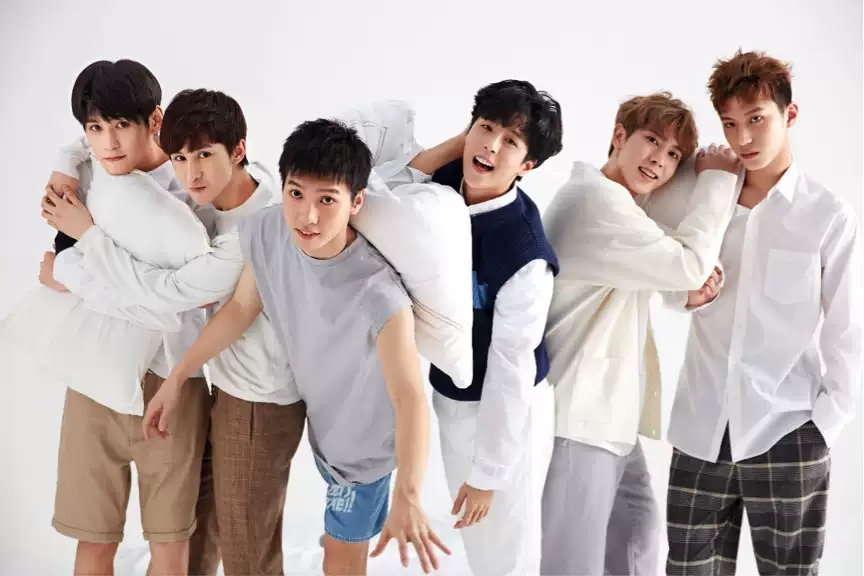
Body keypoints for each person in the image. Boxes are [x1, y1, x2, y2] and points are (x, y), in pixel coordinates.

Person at [142, 118, 451, 575]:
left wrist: (409, 493)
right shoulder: (269, 230)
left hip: (362, 446)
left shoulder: (378, 295)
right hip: (319, 418)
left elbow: (409, 397)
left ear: (355, 202)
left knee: (340, 559)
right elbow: (241, 308)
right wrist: (177, 377)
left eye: (327, 199)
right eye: (296, 194)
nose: (307, 216)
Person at [45, 88, 303, 575]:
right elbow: (117, 135)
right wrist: (67, 159)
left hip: (258, 396)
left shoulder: (251, 230)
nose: (190, 173)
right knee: (196, 542)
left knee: (245, 550)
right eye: (181, 158)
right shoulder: (210, 195)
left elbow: (166, 296)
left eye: (203, 156)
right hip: (216, 385)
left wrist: (76, 257)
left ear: (238, 151)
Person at [664, 49, 863, 575]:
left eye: (756, 119)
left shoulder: (828, 216)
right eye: (730, 124)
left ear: (789, 115)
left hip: (787, 432)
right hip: (700, 429)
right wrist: (684, 295)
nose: (743, 139)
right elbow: (662, 278)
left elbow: (847, 332)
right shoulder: (705, 199)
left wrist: (825, 427)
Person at [538, 91, 741, 575]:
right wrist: (716, 178)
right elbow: (687, 265)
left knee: (639, 538)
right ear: (618, 136)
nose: (660, 160)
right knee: (573, 565)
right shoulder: (596, 201)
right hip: (578, 418)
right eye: (652, 141)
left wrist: (683, 294)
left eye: (673, 154)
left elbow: (649, 273)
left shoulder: (619, 205)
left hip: (609, 418)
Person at [39, 59, 211, 576]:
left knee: (170, 544)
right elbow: (73, 270)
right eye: (95, 128)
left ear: (154, 120)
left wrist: (74, 269)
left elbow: (169, 303)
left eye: (120, 125)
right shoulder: (89, 177)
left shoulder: (192, 189)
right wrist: (67, 159)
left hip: (173, 382)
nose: (108, 142)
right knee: (93, 541)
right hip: (96, 376)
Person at [407, 79, 563, 575]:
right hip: (452, 394)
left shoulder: (524, 252)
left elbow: (511, 367)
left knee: (510, 555)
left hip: (507, 411)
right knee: (479, 548)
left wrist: (490, 473)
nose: (491, 146)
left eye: (511, 141)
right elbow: (387, 184)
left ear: (527, 165)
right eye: (486, 127)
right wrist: (464, 143)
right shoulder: (443, 182)